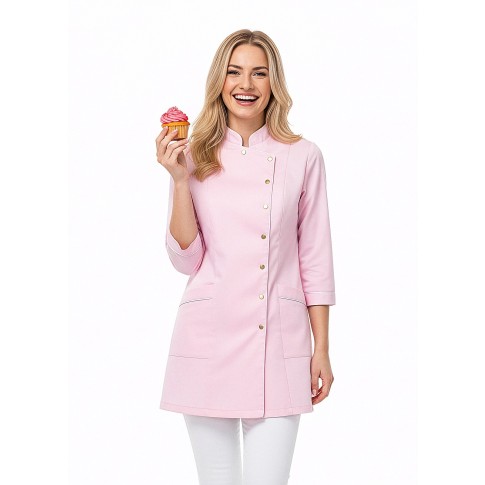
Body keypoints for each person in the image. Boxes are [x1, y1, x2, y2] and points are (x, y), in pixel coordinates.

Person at [155, 29, 336, 485]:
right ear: (219, 80)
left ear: (275, 83)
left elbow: (315, 259)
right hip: (208, 341)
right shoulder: (191, 154)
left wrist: (322, 349)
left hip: (278, 343)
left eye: (259, 73)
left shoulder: (303, 156)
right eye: (234, 72)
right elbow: (186, 260)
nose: (246, 84)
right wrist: (179, 180)